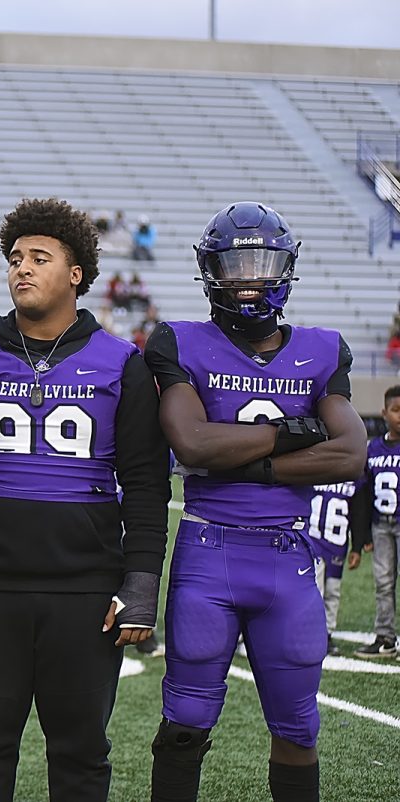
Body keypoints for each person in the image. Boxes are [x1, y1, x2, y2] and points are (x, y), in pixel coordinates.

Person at [0, 198, 169, 801]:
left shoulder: (122, 362)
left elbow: (145, 481)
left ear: (76, 273)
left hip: (84, 592)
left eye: (39, 257)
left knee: (81, 755)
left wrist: (140, 580)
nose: (21, 268)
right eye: (14, 258)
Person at [143, 201, 366, 802]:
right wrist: (294, 433)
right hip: (208, 550)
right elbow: (192, 440)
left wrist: (255, 464)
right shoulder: (179, 342)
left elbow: (348, 454)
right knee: (185, 722)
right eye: (235, 264)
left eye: (261, 263)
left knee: (298, 727)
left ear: (285, 269)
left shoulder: (322, 349)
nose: (249, 278)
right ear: (211, 270)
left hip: (286, 555)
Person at [354, 385, 400, 658]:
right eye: (396, 410)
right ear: (384, 413)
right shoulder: (373, 448)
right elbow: (363, 493)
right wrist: (362, 537)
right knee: (383, 582)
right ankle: (385, 636)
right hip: (381, 524)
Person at [309, 480, 366, 656]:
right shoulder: (317, 469)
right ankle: (311, 633)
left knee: (333, 592)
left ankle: (327, 634)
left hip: (337, 545)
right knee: (314, 591)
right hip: (313, 541)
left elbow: (358, 513)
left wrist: (357, 546)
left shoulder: (353, 478)